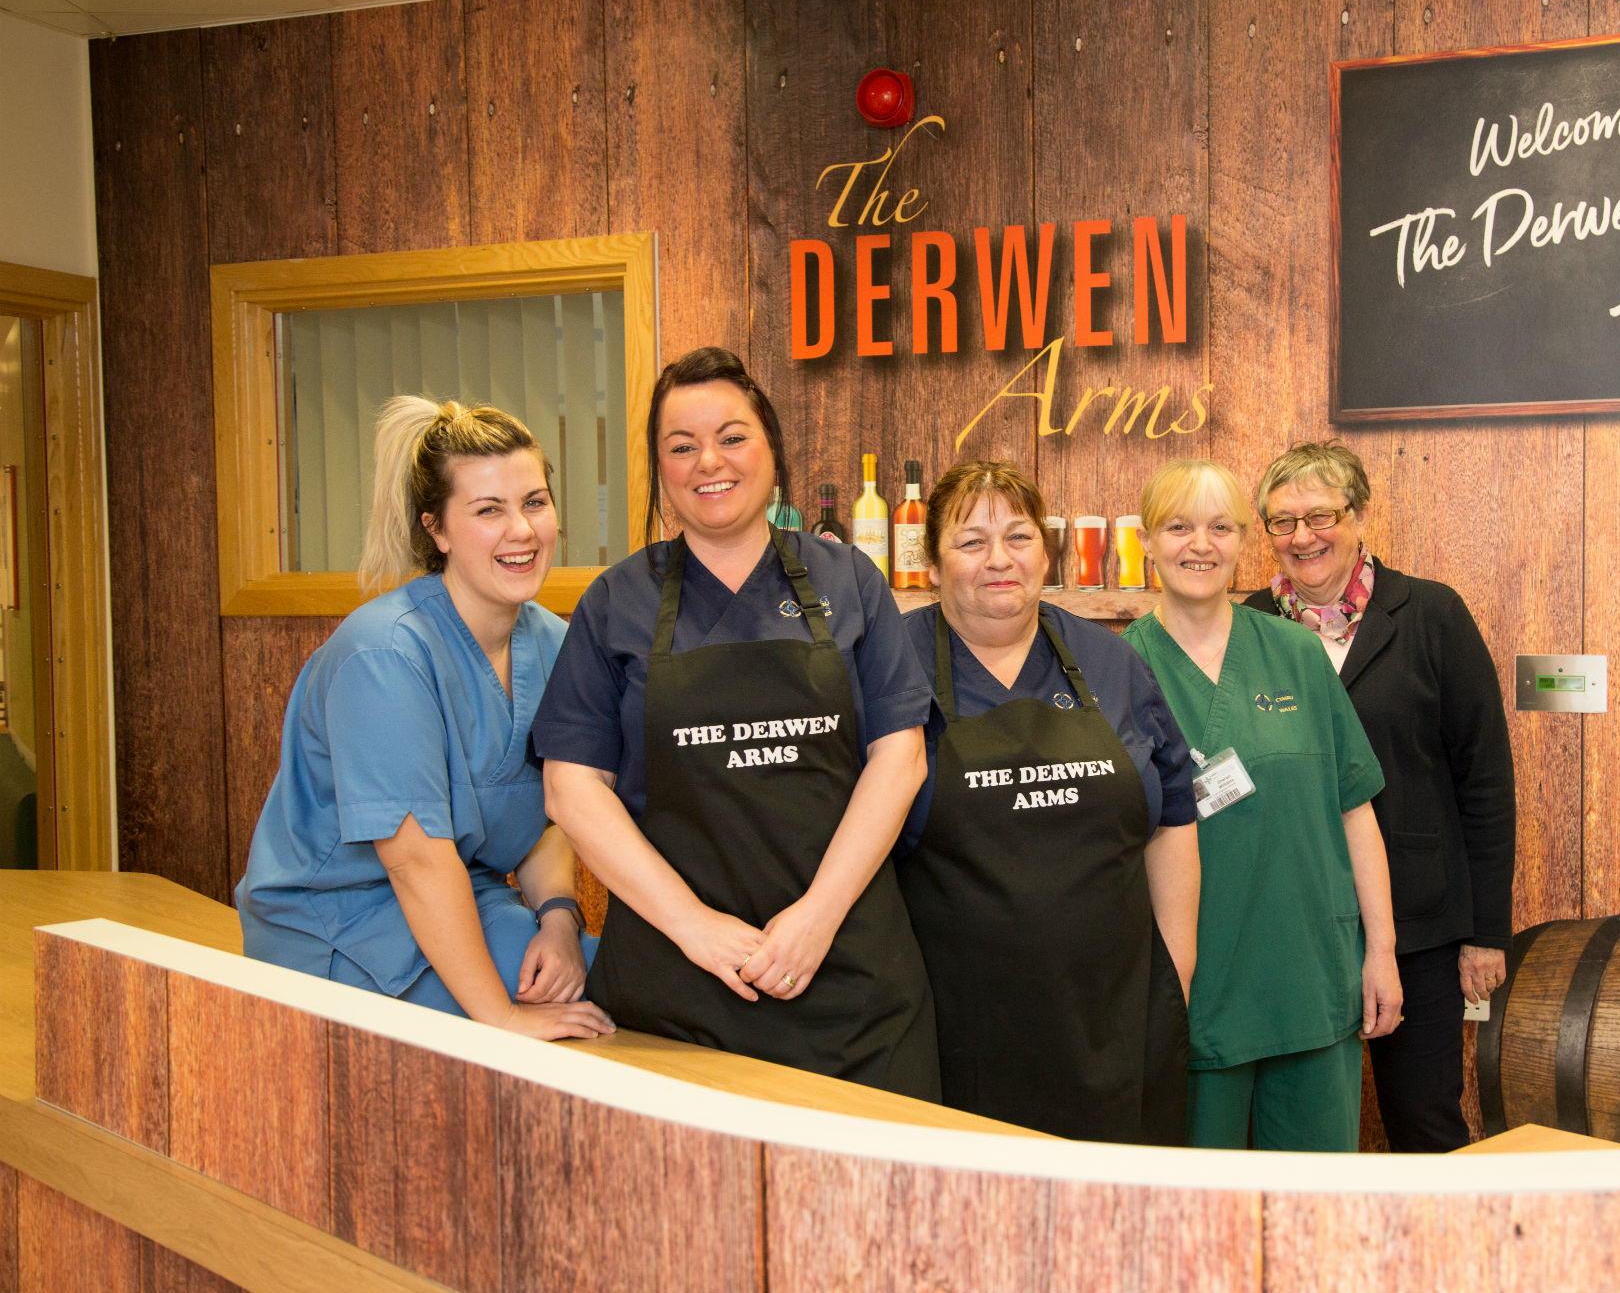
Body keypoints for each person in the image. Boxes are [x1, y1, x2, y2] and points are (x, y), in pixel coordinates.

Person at [535, 347, 939, 1098]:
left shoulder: (848, 580)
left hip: (847, 981)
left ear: (772, 453)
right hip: (674, 993)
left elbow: (900, 758)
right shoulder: (615, 602)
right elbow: (571, 789)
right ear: (660, 471)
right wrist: (692, 925)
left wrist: (817, 916)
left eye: (731, 436)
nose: (707, 462)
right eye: (680, 447)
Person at [236, 397, 612, 1041]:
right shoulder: (384, 654)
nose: (521, 530)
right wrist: (502, 1020)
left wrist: (557, 917)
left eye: (535, 502)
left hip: (465, 903)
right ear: (435, 530)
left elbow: (553, 809)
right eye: (488, 510)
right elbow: (414, 860)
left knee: (620, 984)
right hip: (341, 929)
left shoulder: (555, 644)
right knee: (576, 1040)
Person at [896, 460, 1200, 1144]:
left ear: (1047, 550)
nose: (998, 559)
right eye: (971, 542)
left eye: (1019, 537)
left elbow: (1175, 816)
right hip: (952, 1036)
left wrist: (1173, 978)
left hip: (1116, 1028)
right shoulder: (894, 663)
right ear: (934, 561)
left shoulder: (1111, 661)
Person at [1243, 441, 1515, 1152]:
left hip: (1421, 924)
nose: (1303, 537)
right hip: (1293, 924)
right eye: (1282, 522)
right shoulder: (1247, 627)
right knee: (1294, 1125)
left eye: (1320, 515)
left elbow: (1484, 779)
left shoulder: (1431, 615)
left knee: (1424, 1123)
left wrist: (1486, 933)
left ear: (1360, 515)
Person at [1123, 458, 1400, 1152]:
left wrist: (1382, 952)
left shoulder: (1297, 654)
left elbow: (1354, 810)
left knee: (1317, 1215)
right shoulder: (1118, 672)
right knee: (1196, 1222)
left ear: (1242, 541)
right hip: (1196, 989)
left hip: (1310, 977)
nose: (1200, 544)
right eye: (1179, 526)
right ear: (1149, 541)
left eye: (1220, 527)